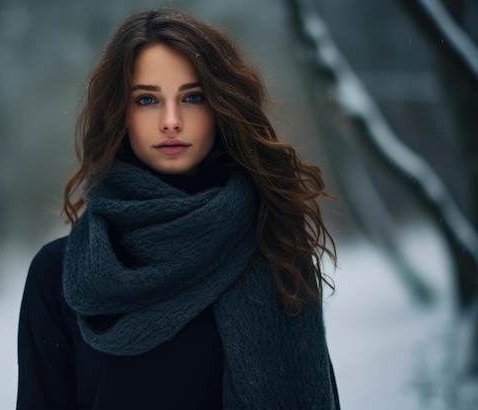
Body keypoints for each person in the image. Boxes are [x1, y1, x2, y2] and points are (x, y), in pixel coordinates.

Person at [17, 8, 340, 409]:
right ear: (121, 113)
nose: (171, 121)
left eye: (192, 97)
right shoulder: (57, 274)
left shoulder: (273, 249)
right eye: (148, 99)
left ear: (220, 107)